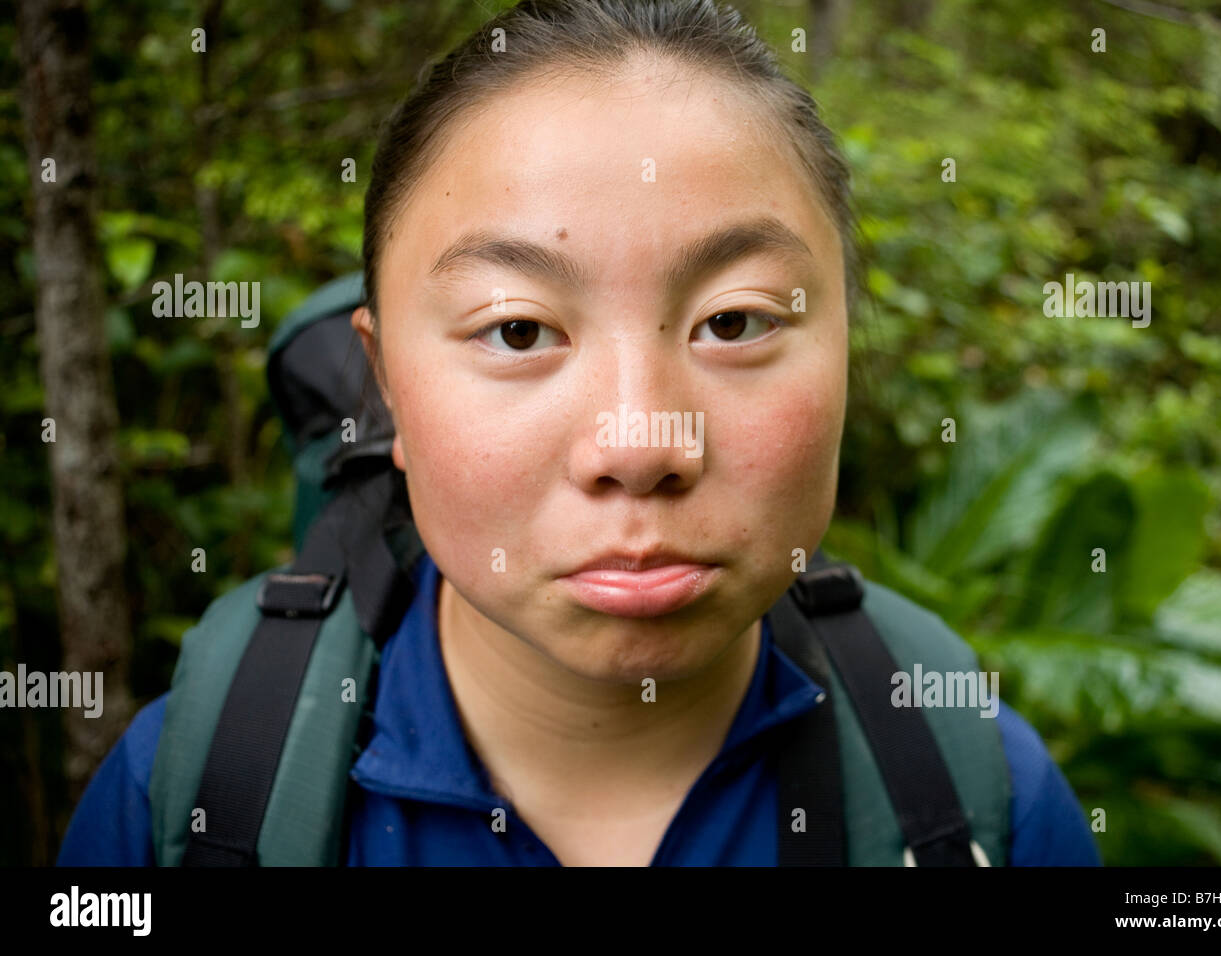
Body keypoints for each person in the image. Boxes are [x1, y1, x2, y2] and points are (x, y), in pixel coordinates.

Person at [59, 0, 1100, 867]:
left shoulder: (971, 796)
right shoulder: (196, 799)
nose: (641, 442)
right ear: (386, 392)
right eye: (517, 330)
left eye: (732, 321)